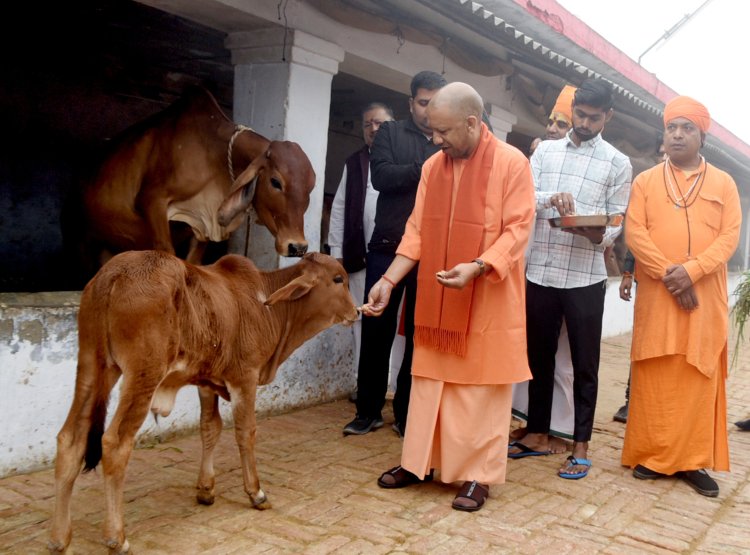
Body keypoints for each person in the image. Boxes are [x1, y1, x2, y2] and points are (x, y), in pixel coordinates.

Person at [365, 81, 535, 512]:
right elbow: (417, 230)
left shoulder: (512, 164)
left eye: (442, 132)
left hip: (488, 296)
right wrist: (388, 280)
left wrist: (478, 266)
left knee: (478, 391)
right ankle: (418, 462)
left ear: (472, 123)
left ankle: (477, 476)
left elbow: (518, 230)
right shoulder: (432, 167)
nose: (435, 140)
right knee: (429, 385)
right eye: (431, 131)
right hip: (440, 298)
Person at [622, 96, 741, 497]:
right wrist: (671, 276)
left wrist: (690, 272)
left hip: (705, 298)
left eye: (686, 128)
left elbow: (729, 239)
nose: (676, 135)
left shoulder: (724, 183)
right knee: (657, 371)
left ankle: (692, 462)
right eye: (671, 127)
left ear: (702, 136)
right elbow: (635, 233)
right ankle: (654, 456)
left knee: (697, 374)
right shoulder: (646, 181)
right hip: (659, 295)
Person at [513, 79, 632, 480]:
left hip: (585, 275)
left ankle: (581, 446)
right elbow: (523, 197)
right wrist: (552, 198)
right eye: (579, 115)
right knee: (538, 358)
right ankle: (538, 433)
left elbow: (617, 218)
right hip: (541, 269)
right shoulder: (545, 151)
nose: (583, 123)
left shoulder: (618, 162)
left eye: (593, 118)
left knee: (585, 363)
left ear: (608, 117)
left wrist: (600, 234)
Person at [343, 70, 447, 436]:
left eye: (435, 103)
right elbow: (382, 177)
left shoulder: (446, 140)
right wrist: (427, 170)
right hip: (388, 246)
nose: (428, 110)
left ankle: (405, 413)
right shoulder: (390, 132)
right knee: (376, 328)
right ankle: (367, 410)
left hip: (431, 252)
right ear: (410, 103)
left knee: (420, 334)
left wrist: (421, 171)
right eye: (422, 102)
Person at [512, 84, 578, 454]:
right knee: (532, 351)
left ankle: (560, 432)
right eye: (552, 121)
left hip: (570, 275)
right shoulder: (540, 156)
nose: (553, 128)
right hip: (533, 268)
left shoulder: (586, 164)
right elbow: (523, 197)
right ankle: (531, 422)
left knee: (562, 357)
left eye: (562, 123)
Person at [327, 102, 394, 387]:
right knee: (360, 318)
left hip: (394, 259)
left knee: (389, 320)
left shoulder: (400, 161)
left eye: (379, 123)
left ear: (392, 126)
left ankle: (388, 382)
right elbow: (340, 207)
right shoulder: (355, 162)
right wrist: (337, 253)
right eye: (368, 124)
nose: (373, 129)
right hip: (359, 257)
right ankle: (361, 382)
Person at [612, 248, 634, 423]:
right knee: (642, 344)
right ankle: (631, 401)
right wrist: (627, 273)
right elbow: (637, 240)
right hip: (651, 282)